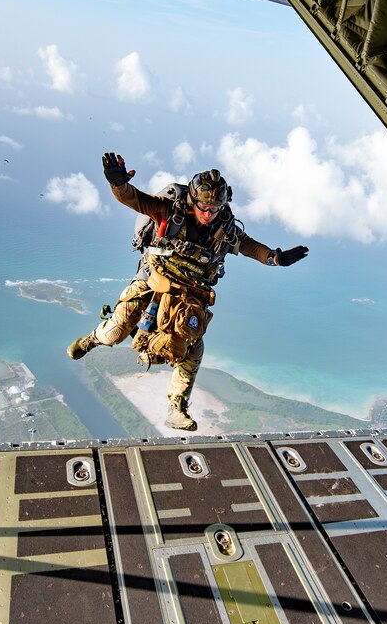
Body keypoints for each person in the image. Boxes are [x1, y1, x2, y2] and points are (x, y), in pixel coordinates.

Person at [67, 152, 308, 432]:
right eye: (204, 207)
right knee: (117, 330)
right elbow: (135, 199)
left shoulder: (225, 229)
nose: (208, 214)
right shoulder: (170, 211)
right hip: (155, 278)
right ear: (193, 201)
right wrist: (118, 184)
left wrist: (276, 259)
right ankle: (92, 339)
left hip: (191, 293)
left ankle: (176, 408)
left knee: (194, 349)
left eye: (214, 208)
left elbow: (251, 247)